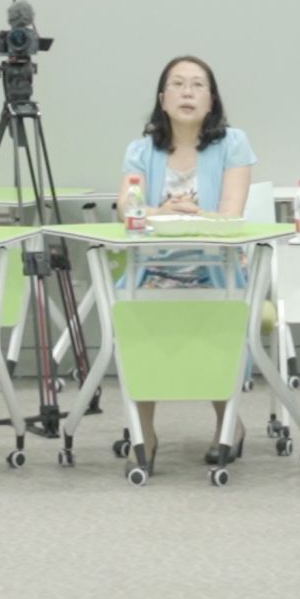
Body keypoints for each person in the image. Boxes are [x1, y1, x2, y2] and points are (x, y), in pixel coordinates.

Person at [118, 55, 256, 468]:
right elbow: (127, 208)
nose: (187, 92)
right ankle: (144, 434)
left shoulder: (233, 144)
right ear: (162, 99)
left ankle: (228, 425)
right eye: (177, 84)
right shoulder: (140, 149)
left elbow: (231, 215)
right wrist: (162, 211)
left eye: (198, 85)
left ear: (211, 100)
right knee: (135, 320)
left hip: (216, 268)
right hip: (153, 268)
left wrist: (196, 216)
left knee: (217, 322)